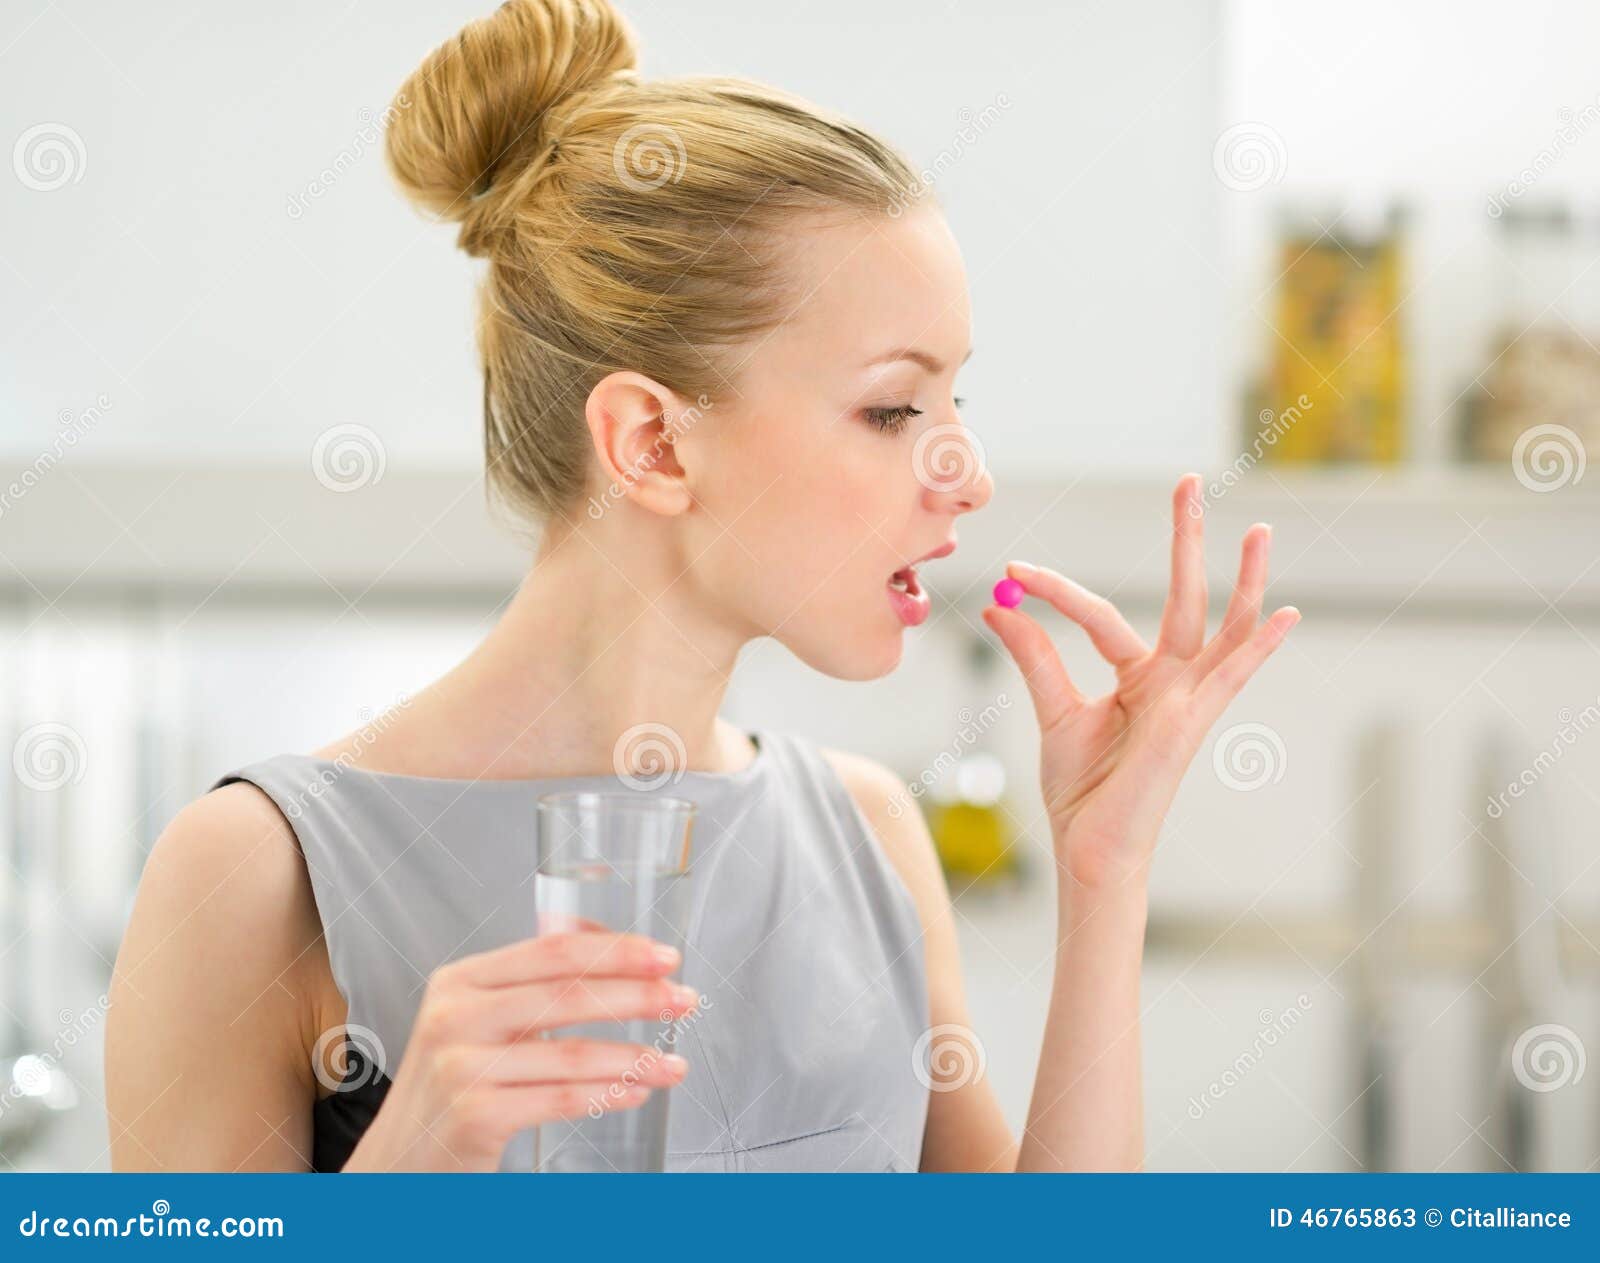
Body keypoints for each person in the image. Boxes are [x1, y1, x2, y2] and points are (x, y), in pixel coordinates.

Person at [104, 0, 1298, 1173]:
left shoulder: (869, 833)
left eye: (954, 403)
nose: (967, 476)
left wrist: (1107, 874)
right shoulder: (257, 872)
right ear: (652, 447)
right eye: (893, 409)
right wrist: (408, 1177)